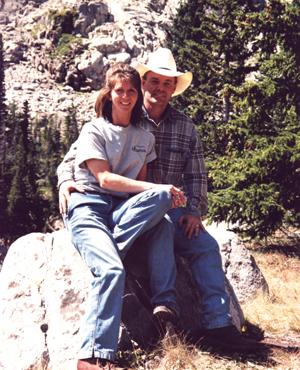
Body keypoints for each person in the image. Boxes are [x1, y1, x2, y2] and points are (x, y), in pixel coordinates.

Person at [58, 48, 260, 353]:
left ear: (173, 89)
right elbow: (75, 156)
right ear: (143, 83)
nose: (160, 89)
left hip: (172, 213)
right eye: (154, 81)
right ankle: (125, 267)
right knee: (155, 222)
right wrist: (64, 180)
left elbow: (196, 175)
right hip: (127, 209)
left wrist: (194, 211)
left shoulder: (185, 127)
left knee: (205, 246)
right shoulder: (123, 111)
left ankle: (218, 324)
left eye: (168, 84)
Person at [64, 62, 186, 370]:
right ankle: (93, 357)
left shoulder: (144, 138)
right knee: (111, 271)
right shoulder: (94, 129)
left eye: (132, 90)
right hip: (89, 205)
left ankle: (163, 304)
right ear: (109, 93)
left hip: (121, 211)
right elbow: (104, 179)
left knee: (161, 200)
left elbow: (139, 190)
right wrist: (65, 181)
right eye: (120, 90)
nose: (126, 97)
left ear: (138, 92)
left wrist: (163, 193)